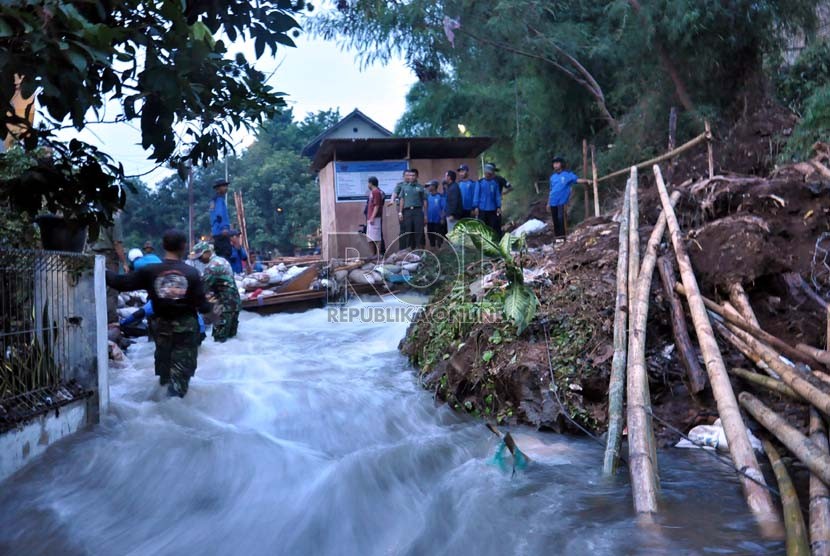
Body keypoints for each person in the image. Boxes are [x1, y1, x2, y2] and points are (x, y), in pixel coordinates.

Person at [106, 229, 211, 397]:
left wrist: (99, 269)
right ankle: (175, 410)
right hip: (186, 330)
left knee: (164, 374)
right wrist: (212, 307)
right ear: (184, 247)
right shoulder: (192, 273)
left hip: (161, 328)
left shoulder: (150, 271)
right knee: (180, 377)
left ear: (163, 246)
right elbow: (203, 306)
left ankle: (163, 407)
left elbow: (120, 283)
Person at [191, 241, 241, 342]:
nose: (200, 260)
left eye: (200, 257)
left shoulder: (211, 267)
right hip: (235, 304)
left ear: (207, 252)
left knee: (219, 340)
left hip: (224, 307)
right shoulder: (222, 260)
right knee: (232, 339)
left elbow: (203, 288)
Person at [90, 211, 128, 323]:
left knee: (95, 290)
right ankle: (110, 323)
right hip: (108, 258)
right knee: (111, 291)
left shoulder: (94, 216)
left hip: (92, 256)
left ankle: (95, 321)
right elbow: (117, 243)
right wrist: (124, 262)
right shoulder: (114, 218)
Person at [120, 299, 206, 344]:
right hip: (200, 332)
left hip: (184, 333)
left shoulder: (155, 302)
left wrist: (122, 324)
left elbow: (138, 314)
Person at [548, 156, 579, 241]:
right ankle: (558, 238)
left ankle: (563, 237)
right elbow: (551, 190)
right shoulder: (552, 177)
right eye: (554, 163)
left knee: (561, 218)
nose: (556, 165)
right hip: (553, 201)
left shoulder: (567, 175)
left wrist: (587, 181)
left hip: (562, 201)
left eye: (557, 163)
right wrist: (548, 202)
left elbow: (577, 180)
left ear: (561, 164)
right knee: (555, 220)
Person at [397, 169, 426, 250]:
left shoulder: (420, 187)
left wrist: (425, 215)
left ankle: (419, 253)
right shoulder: (404, 187)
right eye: (410, 175)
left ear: (417, 176)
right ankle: (408, 254)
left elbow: (424, 201)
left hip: (418, 211)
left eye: (413, 175)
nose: (411, 177)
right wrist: (400, 213)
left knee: (419, 232)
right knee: (408, 232)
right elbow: (402, 199)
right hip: (407, 212)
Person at [473, 163, 503, 239]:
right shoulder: (479, 183)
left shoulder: (495, 183)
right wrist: (476, 207)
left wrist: (498, 206)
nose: (489, 175)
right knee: (482, 228)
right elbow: (476, 195)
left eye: (491, 174)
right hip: (482, 210)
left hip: (492, 210)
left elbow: (497, 196)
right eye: (488, 173)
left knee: (492, 228)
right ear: (485, 173)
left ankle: (492, 242)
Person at [209, 178, 233, 260]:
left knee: (220, 254)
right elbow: (219, 215)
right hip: (221, 232)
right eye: (224, 186)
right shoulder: (219, 200)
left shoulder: (213, 200)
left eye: (226, 186)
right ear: (218, 188)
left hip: (216, 232)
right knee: (225, 254)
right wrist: (224, 228)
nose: (226, 188)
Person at [366, 176, 384, 259]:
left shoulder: (376, 192)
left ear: (370, 183)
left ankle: (377, 255)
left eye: (368, 183)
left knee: (376, 237)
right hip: (370, 217)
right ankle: (373, 255)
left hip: (375, 218)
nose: (367, 185)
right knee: (370, 238)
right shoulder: (372, 192)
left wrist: (373, 217)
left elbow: (377, 206)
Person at [425, 180, 446, 249]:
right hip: (430, 221)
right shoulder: (427, 196)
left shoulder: (440, 196)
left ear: (434, 186)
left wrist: (442, 218)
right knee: (431, 236)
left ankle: (440, 251)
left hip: (438, 221)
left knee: (439, 237)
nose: (428, 187)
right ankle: (433, 252)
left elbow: (443, 208)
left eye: (429, 185)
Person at [443, 170, 464, 234]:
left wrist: (452, 214)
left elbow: (454, 202)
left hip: (453, 216)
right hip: (450, 214)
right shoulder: (450, 187)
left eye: (445, 176)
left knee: (454, 234)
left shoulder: (454, 187)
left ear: (449, 177)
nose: (444, 178)